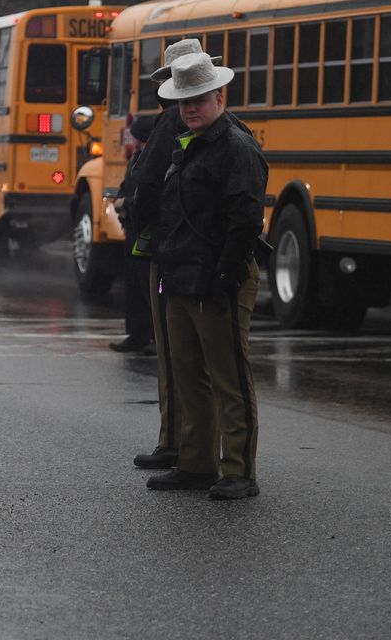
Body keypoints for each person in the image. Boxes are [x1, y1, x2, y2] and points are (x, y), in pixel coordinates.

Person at [144, 52, 268, 501]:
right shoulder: (190, 141)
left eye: (198, 99)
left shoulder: (236, 146)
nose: (190, 108)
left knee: (229, 377)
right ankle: (196, 464)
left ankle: (239, 470)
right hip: (183, 275)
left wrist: (225, 274)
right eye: (184, 101)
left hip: (218, 278)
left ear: (219, 96)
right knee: (189, 374)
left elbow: (246, 218)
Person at [126, 39, 231, 472]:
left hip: (171, 249)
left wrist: (138, 220)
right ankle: (190, 446)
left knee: (176, 357)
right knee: (191, 360)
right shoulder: (209, 126)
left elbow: (148, 186)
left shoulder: (172, 122)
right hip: (190, 249)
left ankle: (177, 442)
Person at [111, 113, 158, 354]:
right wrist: (121, 198)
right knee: (134, 284)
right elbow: (127, 183)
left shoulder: (156, 159)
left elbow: (149, 195)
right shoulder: (138, 157)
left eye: (139, 137)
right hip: (133, 228)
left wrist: (125, 203)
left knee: (149, 284)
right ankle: (137, 334)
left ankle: (157, 337)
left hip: (148, 231)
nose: (136, 142)